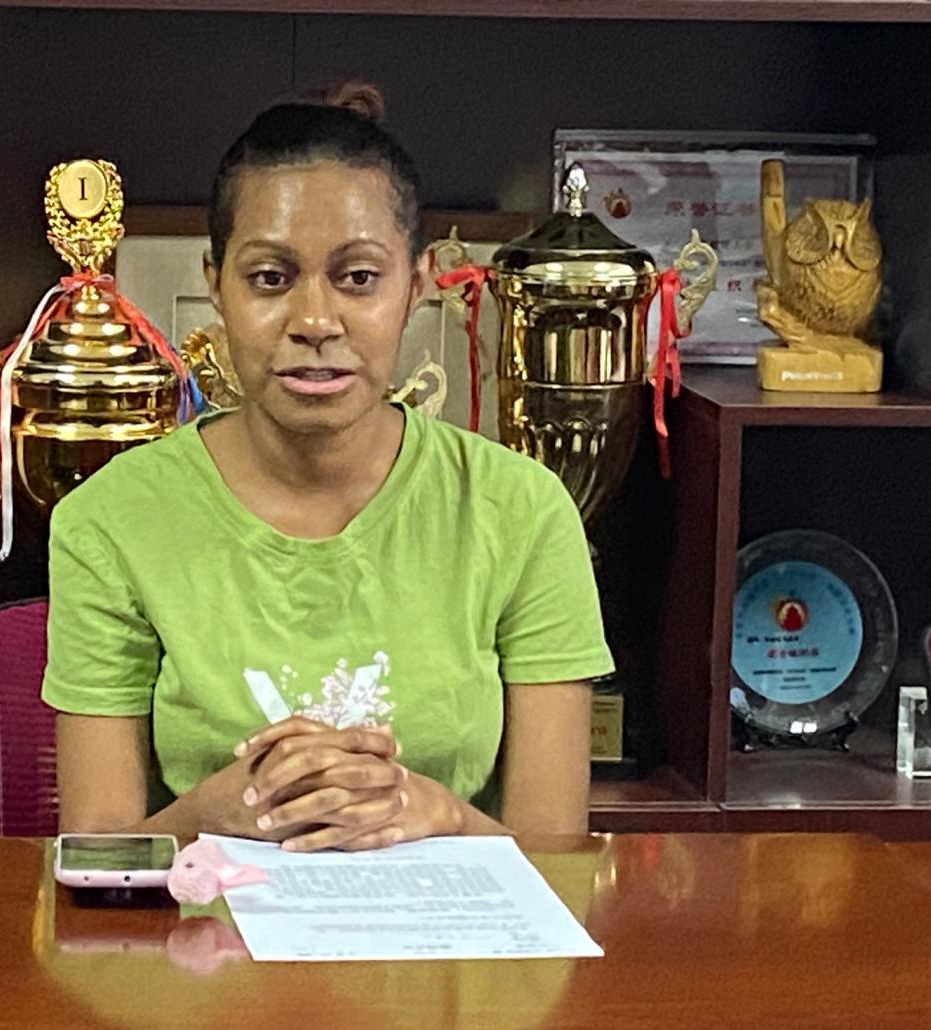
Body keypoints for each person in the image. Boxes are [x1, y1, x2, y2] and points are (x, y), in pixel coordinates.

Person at [42, 84, 613, 851]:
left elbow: (555, 857)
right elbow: (96, 855)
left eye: (359, 278)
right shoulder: (112, 519)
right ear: (216, 286)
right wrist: (218, 812)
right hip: (205, 926)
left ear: (415, 287)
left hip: (446, 926)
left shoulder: (522, 511)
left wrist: (435, 813)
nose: (315, 321)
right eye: (270, 279)